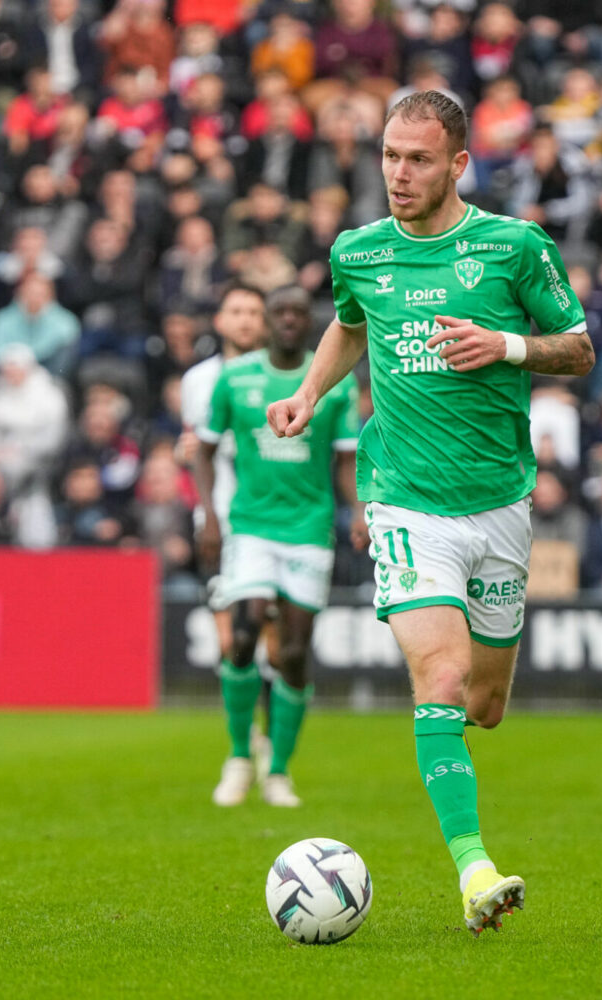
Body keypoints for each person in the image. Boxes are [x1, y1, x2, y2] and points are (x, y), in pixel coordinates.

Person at [265, 91, 594, 934]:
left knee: (484, 703)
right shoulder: (358, 251)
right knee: (439, 680)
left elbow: (581, 348)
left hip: (500, 504)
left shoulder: (513, 247)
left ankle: (469, 824)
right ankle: (473, 869)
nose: (399, 174)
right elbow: (348, 326)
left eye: (417, 159)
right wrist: (306, 393)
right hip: (406, 502)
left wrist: (508, 346)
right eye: (389, 156)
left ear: (457, 165)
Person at [193, 284, 361, 810]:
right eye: (279, 313)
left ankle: (280, 772)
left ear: (309, 320)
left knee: (291, 654)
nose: (288, 320)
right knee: (241, 638)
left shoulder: (333, 382)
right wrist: (210, 515)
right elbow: (202, 448)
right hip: (250, 527)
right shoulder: (234, 378)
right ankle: (241, 756)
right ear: (266, 321)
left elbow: (344, 458)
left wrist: (358, 509)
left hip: (309, 530)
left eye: (297, 312)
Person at [177, 283, 272, 730]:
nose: (246, 319)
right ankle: (245, 732)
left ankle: (271, 734)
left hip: (271, 517)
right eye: (236, 310)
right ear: (219, 321)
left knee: (268, 635)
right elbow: (196, 447)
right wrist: (189, 453)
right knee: (227, 635)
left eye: (254, 311)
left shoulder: (281, 374)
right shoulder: (198, 379)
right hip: (215, 515)